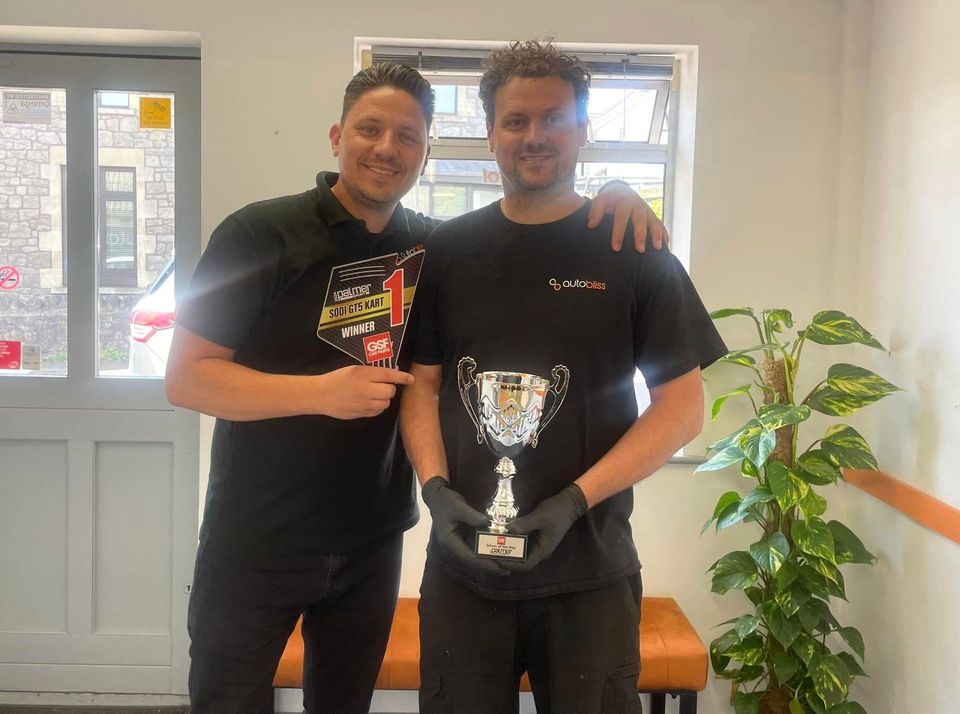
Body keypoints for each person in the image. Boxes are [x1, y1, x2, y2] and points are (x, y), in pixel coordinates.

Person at [165, 60, 670, 714]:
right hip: (256, 539)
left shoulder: (433, 249)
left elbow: (524, 242)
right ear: (336, 136)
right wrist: (317, 394)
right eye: (369, 130)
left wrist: (617, 191)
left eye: (407, 137)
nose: (386, 149)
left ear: (426, 152)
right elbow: (187, 378)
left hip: (372, 540)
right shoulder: (259, 233)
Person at [399, 41, 729, 713]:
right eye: (515, 121)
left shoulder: (635, 249)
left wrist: (572, 502)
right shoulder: (446, 252)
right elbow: (424, 388)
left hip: (590, 574)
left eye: (553, 118)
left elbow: (681, 409)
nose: (534, 136)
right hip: (464, 572)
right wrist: (436, 492)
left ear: (583, 130)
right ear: (491, 134)